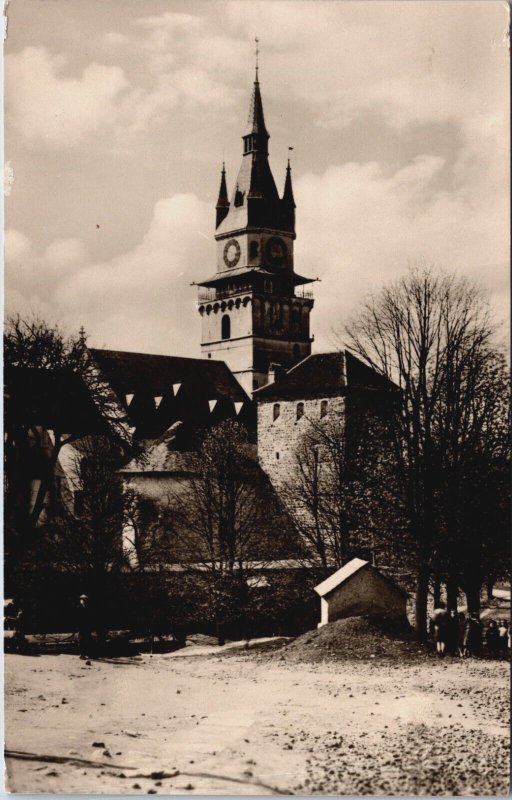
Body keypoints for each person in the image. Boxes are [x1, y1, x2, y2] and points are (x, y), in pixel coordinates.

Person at [77, 594, 93, 660]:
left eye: (84, 599)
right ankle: (82, 654)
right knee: (81, 640)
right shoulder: (78, 608)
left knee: (87, 640)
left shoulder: (89, 608)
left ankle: (86, 654)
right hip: (81, 627)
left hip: (87, 627)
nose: (83, 601)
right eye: (82, 599)